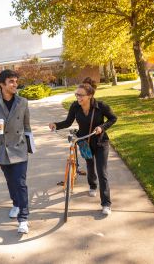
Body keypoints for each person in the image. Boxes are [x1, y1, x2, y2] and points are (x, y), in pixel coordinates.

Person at [49, 81, 117, 215]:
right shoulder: (75, 106)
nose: (78, 98)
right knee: (90, 166)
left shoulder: (101, 106)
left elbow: (113, 118)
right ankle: (92, 185)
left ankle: (106, 204)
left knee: (102, 171)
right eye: (76, 95)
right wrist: (55, 125)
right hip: (84, 141)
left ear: (90, 95)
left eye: (81, 95)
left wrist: (101, 127)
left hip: (100, 142)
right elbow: (68, 122)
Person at [0, 69, 32, 233]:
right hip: (2, 149)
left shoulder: (23, 102)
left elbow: (27, 126)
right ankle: (16, 203)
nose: (15, 84)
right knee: (11, 181)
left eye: (16, 81)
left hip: (19, 148)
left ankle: (23, 218)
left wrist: (30, 144)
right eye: (11, 81)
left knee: (20, 182)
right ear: (2, 85)